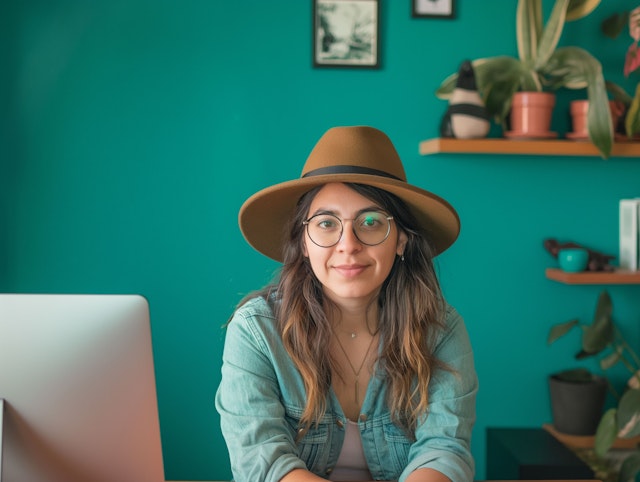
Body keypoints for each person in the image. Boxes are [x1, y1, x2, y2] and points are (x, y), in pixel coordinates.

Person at [215, 126, 477, 482]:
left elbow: (444, 452)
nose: (348, 244)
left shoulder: (441, 331)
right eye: (326, 223)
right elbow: (263, 463)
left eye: (371, 222)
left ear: (400, 240)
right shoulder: (256, 331)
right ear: (304, 242)